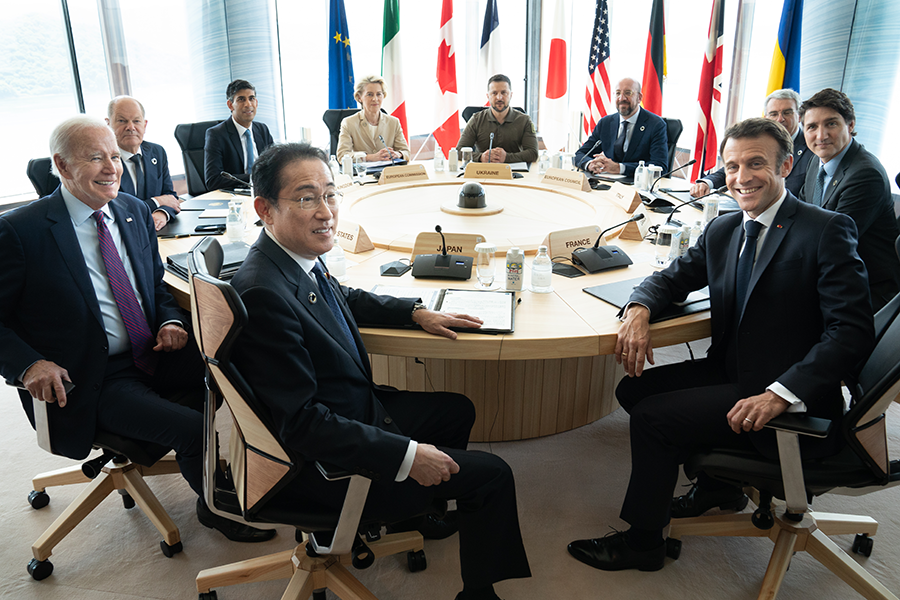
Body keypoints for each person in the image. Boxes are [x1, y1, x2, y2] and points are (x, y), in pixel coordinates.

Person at [567, 118, 874, 572]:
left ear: (786, 165)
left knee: (653, 420)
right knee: (632, 391)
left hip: (789, 396)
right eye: (732, 166)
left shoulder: (826, 230)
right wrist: (638, 309)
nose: (741, 177)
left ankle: (644, 543)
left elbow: (850, 333)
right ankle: (718, 485)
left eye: (756, 164)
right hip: (732, 370)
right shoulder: (725, 229)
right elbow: (670, 278)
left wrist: (779, 394)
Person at [230, 142, 531, 600]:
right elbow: (303, 424)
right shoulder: (262, 292)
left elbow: (342, 297)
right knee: (493, 474)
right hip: (325, 463)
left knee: (456, 411)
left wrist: (415, 312)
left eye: (330, 194)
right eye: (307, 197)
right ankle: (477, 592)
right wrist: (409, 456)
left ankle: (414, 513)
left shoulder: (287, 260)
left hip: (352, 410)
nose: (326, 211)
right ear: (265, 209)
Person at [0, 116, 274, 544]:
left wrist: (169, 319)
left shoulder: (132, 209)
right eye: (96, 158)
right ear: (63, 166)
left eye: (114, 156)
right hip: (92, 376)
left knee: (246, 366)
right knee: (191, 427)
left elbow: (154, 284)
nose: (112, 167)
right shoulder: (20, 231)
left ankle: (276, 468)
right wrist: (29, 364)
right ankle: (216, 507)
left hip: (151, 350)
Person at [798, 88, 900, 312]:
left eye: (831, 124)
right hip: (829, 274)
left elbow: (830, 242)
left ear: (850, 125)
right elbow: (801, 212)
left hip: (865, 289)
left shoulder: (865, 174)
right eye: (812, 127)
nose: (821, 135)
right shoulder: (818, 161)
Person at [691, 88, 814, 198]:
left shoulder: (813, 147)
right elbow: (736, 166)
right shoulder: (761, 140)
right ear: (766, 117)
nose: (780, 119)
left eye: (787, 113)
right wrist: (707, 183)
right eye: (774, 114)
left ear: (799, 116)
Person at [106, 96, 181, 231]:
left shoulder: (157, 152)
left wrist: (163, 213)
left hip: (158, 232)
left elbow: (170, 196)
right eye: (122, 121)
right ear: (108, 124)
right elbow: (113, 209)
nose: (130, 127)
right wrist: (156, 203)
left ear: (144, 125)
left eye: (136, 121)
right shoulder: (104, 161)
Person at [574, 77, 668, 177]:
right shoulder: (605, 123)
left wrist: (619, 168)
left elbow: (660, 166)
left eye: (628, 93)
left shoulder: (655, 124)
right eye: (618, 93)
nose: (621, 98)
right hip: (607, 184)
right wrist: (590, 165)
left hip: (637, 185)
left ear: (639, 97)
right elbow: (580, 154)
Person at [204, 79, 274, 191]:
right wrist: (253, 178)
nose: (248, 104)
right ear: (230, 105)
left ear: (256, 102)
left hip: (264, 192)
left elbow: (274, 167)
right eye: (241, 99)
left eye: (251, 98)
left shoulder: (262, 129)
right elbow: (213, 180)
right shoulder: (216, 135)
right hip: (235, 197)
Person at [456, 74, 538, 164]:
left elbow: (533, 153)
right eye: (494, 93)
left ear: (511, 95)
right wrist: (481, 157)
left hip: (514, 174)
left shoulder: (525, 120)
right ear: (488, 96)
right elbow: (459, 151)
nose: (499, 97)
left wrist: (507, 157)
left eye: (504, 93)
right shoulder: (476, 119)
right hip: (482, 173)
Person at [336, 75, 410, 164]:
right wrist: (370, 157)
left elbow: (406, 152)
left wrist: (397, 154)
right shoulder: (349, 123)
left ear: (383, 96)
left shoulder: (394, 122)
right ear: (360, 97)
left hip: (388, 173)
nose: (375, 99)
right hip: (362, 174)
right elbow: (342, 156)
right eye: (369, 94)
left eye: (379, 94)